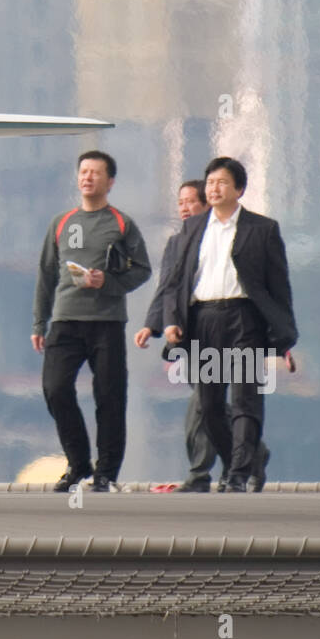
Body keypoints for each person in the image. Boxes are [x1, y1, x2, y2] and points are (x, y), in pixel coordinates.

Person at [162, 157, 297, 493]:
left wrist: (283, 338)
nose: (214, 188)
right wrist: (171, 322)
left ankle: (237, 474)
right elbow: (176, 282)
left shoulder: (262, 229)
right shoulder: (194, 228)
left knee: (245, 399)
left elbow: (279, 288)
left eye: (222, 182)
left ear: (238, 189)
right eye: (210, 182)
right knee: (209, 405)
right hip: (205, 320)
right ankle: (245, 461)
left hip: (244, 320)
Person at [135, 179, 270, 493]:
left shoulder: (224, 240)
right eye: (180, 202)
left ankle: (200, 474)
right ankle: (252, 454)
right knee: (210, 404)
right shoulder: (177, 242)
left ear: (207, 205)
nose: (183, 208)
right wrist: (153, 326)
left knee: (204, 405)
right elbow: (167, 289)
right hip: (193, 334)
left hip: (229, 329)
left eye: (189, 202)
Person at [32, 150, 152, 493]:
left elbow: (142, 269)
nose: (88, 178)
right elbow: (45, 275)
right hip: (65, 321)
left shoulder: (121, 223)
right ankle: (78, 462)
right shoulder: (61, 222)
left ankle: (106, 472)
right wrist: (39, 324)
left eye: (95, 173)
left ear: (109, 181)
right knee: (55, 389)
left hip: (107, 323)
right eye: (83, 171)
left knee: (110, 397)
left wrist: (109, 283)